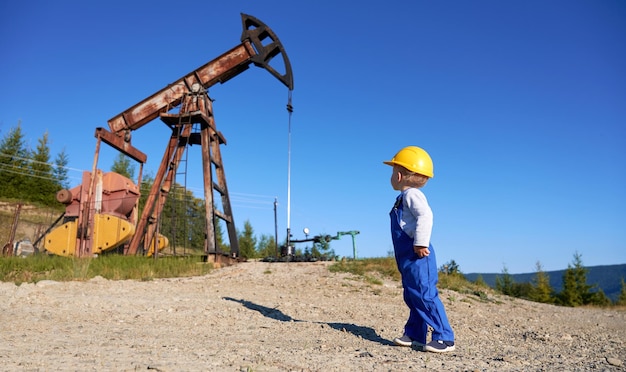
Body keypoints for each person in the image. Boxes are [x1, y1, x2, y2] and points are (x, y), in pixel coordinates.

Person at [383, 146, 455, 353]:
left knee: (424, 294)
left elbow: (426, 216)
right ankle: (416, 333)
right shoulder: (405, 197)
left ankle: (444, 337)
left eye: (392, 172)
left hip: (417, 254)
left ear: (398, 175)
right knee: (413, 294)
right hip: (408, 257)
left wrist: (421, 243)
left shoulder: (412, 195)